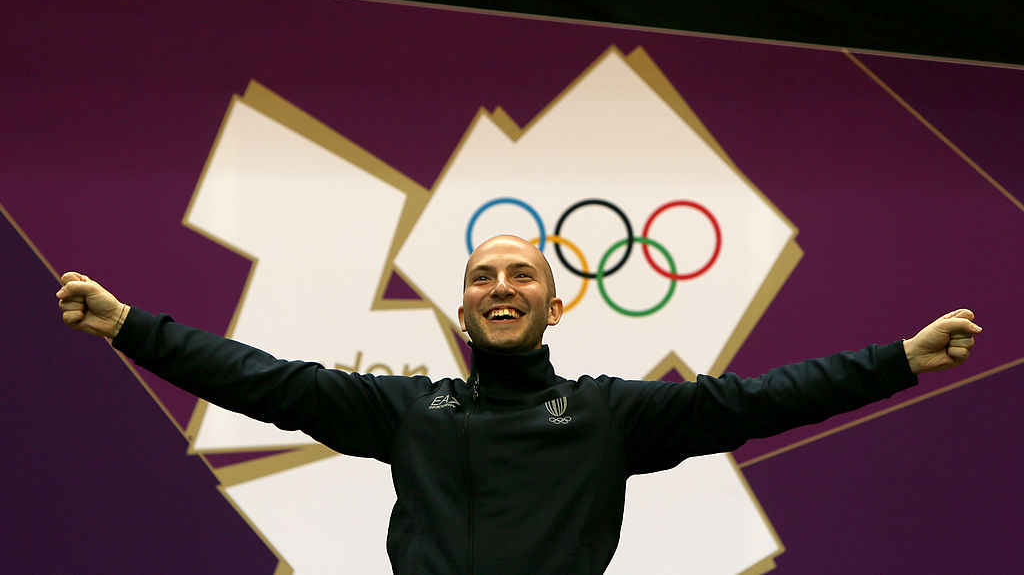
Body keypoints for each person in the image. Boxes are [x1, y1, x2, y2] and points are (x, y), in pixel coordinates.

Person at [56, 235, 981, 574]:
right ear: (461, 307)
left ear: (554, 301)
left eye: (521, 275)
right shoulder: (410, 411)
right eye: (482, 277)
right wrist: (130, 326)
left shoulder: (609, 415)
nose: (502, 288)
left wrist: (896, 360)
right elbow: (259, 380)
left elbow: (762, 401)